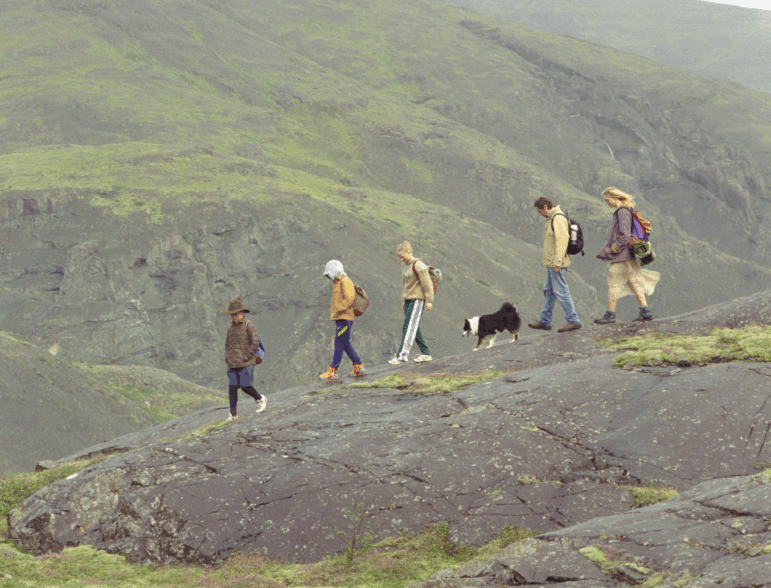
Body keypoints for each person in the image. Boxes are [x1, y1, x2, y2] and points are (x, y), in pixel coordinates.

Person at [595, 187, 660, 323]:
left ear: (614, 197)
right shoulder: (626, 210)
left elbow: (624, 235)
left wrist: (615, 247)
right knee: (634, 280)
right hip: (628, 254)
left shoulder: (622, 212)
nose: (606, 203)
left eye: (607, 200)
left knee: (612, 282)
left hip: (622, 254)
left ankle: (610, 315)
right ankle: (645, 311)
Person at [528, 197, 582, 333]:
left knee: (562, 291)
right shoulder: (551, 219)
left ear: (545, 207)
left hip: (557, 264)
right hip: (552, 263)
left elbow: (562, 241)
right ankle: (545, 321)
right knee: (550, 291)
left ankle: (573, 320)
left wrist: (557, 262)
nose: (539, 213)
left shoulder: (557, 219)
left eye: (539, 211)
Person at [319, 260, 367, 381]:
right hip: (341, 318)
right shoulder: (338, 282)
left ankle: (333, 370)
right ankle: (358, 366)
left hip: (344, 318)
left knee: (339, 343)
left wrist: (339, 309)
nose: (329, 277)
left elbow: (350, 298)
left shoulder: (345, 281)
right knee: (344, 343)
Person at [388, 241, 434, 364]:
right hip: (408, 299)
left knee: (408, 326)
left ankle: (401, 356)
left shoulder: (419, 265)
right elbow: (405, 284)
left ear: (409, 252)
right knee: (413, 327)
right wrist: (404, 300)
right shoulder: (404, 266)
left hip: (417, 299)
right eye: (399, 257)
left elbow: (427, 284)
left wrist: (429, 301)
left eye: (402, 256)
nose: (401, 259)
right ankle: (425, 353)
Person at [224, 299, 267, 421]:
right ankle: (233, 415)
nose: (235, 316)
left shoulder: (249, 325)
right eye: (233, 314)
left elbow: (255, 343)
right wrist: (227, 357)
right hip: (233, 364)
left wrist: (246, 356)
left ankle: (260, 398)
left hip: (247, 362)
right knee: (232, 388)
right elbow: (227, 344)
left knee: (245, 385)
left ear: (242, 313)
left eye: (237, 313)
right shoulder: (230, 328)